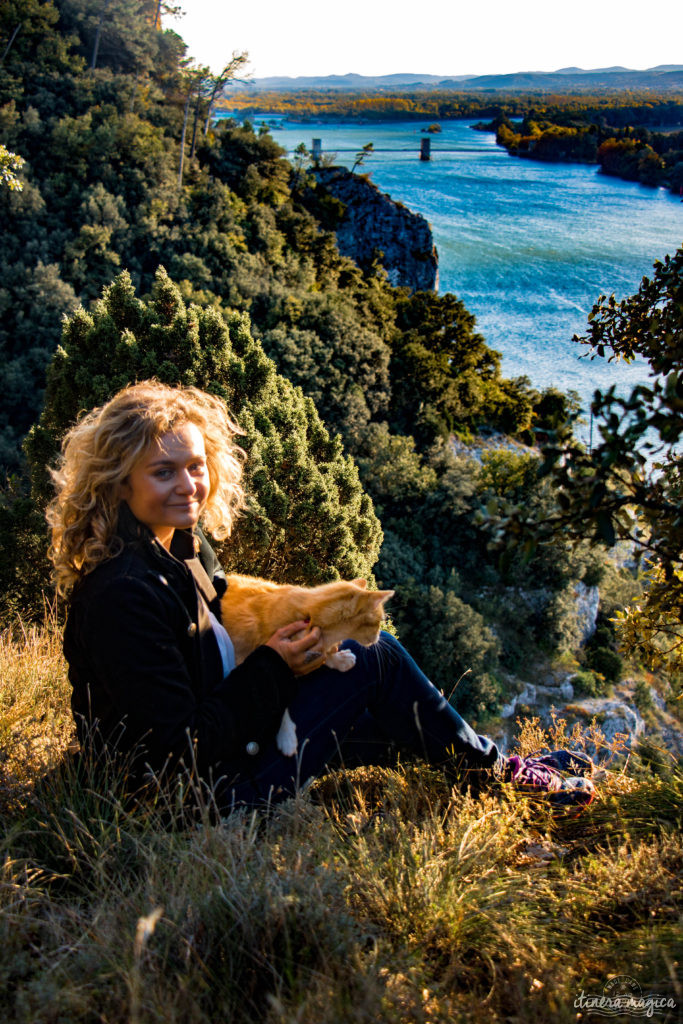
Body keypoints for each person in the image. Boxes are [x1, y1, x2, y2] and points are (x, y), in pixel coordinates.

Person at [49, 381, 596, 814]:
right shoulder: (123, 594)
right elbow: (179, 747)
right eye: (163, 472)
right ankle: (496, 770)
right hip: (193, 802)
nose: (188, 485)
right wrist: (275, 667)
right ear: (121, 482)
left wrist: (289, 632)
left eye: (196, 467)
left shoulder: (182, 550)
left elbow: (225, 628)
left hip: (229, 752)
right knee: (373, 662)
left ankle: (491, 766)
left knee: (387, 719)